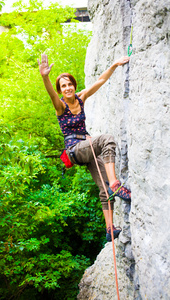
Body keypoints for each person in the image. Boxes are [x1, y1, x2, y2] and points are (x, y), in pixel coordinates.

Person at [38, 53, 131, 242]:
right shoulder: (60, 106)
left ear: (74, 85)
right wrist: (45, 77)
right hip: (74, 149)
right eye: (63, 86)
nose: (67, 88)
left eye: (69, 84)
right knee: (107, 140)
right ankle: (116, 184)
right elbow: (50, 94)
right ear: (61, 90)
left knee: (104, 189)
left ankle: (110, 229)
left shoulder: (81, 97)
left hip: (85, 148)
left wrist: (113, 65)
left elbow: (100, 81)